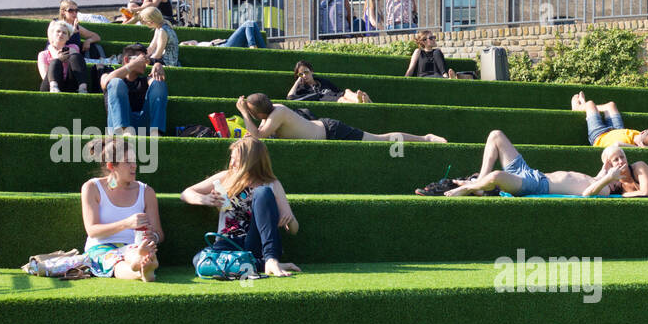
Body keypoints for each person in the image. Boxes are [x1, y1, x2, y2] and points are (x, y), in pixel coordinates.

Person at [181, 136, 301, 278]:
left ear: (250, 160)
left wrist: (290, 219)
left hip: (254, 243)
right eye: (231, 158)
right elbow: (186, 193)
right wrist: (205, 199)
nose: (231, 163)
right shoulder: (226, 177)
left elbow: (294, 229)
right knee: (198, 260)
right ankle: (259, 264)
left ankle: (270, 259)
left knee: (263, 192)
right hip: (227, 242)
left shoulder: (272, 184)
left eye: (236, 159)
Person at [441, 130, 630, 197]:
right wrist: (608, 166)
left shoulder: (604, 189)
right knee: (496, 135)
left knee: (496, 176)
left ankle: (469, 188)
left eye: (618, 175)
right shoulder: (598, 177)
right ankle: (479, 184)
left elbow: (588, 193)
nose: (618, 167)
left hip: (537, 185)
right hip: (531, 172)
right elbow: (603, 168)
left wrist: (608, 179)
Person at [82, 135, 163, 281]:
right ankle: (141, 272)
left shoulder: (146, 192)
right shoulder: (92, 187)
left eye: (134, 161)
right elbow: (92, 231)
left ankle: (143, 261)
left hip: (132, 246)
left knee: (135, 252)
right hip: (100, 247)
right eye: (127, 162)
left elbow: (159, 233)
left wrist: (153, 237)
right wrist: (127, 223)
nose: (134, 165)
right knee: (115, 262)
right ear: (111, 166)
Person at [235, 93, 445, 144]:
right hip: (324, 128)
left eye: (251, 112)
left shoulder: (278, 112)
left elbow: (260, 136)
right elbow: (256, 134)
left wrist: (244, 113)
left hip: (332, 130)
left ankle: (425, 138)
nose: (250, 115)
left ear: (257, 112)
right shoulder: (270, 114)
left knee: (380, 140)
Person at [101, 43, 167, 134]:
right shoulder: (107, 75)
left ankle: (156, 133)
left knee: (158, 83)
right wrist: (132, 65)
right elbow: (106, 82)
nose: (144, 63)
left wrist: (157, 64)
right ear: (127, 59)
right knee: (116, 82)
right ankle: (125, 131)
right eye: (141, 59)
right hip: (118, 127)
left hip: (142, 126)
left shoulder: (146, 80)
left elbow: (158, 87)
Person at [570, 92, 648, 148]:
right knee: (611, 105)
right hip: (617, 129)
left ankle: (579, 107)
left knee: (590, 104)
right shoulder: (647, 140)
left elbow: (617, 144)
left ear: (643, 131)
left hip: (599, 136)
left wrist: (638, 147)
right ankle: (587, 107)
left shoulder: (635, 143)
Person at [37, 20, 88, 94]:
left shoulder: (73, 48)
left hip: (69, 83)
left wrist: (67, 55)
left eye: (64, 33)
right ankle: (54, 89)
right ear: (52, 34)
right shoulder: (43, 54)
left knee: (76, 56)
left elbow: (77, 62)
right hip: (50, 84)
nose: (61, 34)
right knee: (56, 61)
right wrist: (58, 58)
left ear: (68, 37)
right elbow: (44, 76)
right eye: (58, 31)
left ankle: (83, 88)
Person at [287, 60, 370, 104]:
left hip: (335, 95)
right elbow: (289, 98)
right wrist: (297, 81)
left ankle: (359, 100)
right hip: (326, 98)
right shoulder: (302, 88)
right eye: (301, 74)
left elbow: (339, 91)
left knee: (347, 91)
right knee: (342, 99)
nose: (304, 76)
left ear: (311, 71)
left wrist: (347, 93)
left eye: (306, 72)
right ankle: (359, 102)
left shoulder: (322, 81)